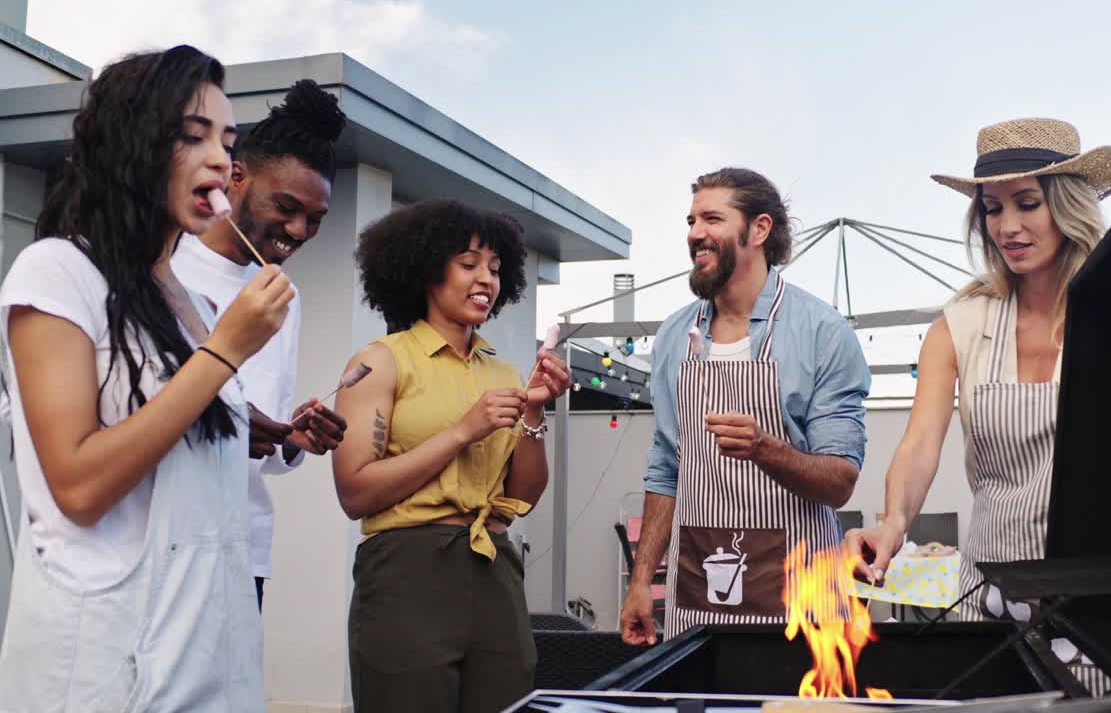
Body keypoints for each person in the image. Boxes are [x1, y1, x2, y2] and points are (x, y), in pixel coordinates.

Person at [0, 46, 292, 710]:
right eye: (193, 136)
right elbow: (79, 487)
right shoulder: (57, 273)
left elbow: (177, 442)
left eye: (228, 142)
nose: (221, 161)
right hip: (104, 655)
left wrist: (241, 421)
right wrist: (224, 355)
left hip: (209, 648)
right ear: (131, 144)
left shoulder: (197, 306)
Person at [844, 118, 1111, 693]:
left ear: (1068, 206)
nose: (1008, 226)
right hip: (991, 600)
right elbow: (920, 445)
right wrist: (893, 522)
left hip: (1101, 605)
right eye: (993, 209)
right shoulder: (962, 325)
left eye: (1027, 203)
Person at [332, 200, 570, 713]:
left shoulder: (504, 373)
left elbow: (524, 495)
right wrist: (464, 431)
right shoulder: (380, 361)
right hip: (407, 567)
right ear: (425, 269)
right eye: (468, 264)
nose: (486, 279)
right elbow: (355, 492)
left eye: (496, 268)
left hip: (495, 564)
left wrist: (534, 413)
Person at [620, 168, 872, 645]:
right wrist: (640, 582)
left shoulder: (821, 332)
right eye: (691, 221)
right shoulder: (675, 335)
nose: (695, 233)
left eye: (712, 219)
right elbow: (666, 468)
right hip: (697, 591)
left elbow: (840, 482)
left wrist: (764, 449)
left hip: (800, 597)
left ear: (759, 229)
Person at [172, 78, 349, 610]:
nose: (299, 230)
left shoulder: (282, 296)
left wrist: (292, 437)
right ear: (236, 177)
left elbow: (263, 456)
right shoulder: (166, 266)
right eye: (286, 206)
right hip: (164, 540)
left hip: (243, 548)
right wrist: (225, 419)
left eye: (315, 219)